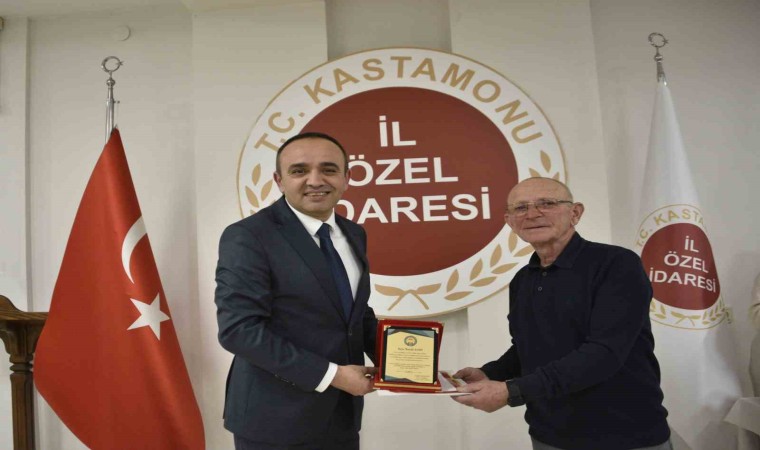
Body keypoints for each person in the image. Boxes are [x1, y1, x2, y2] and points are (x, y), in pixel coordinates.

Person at [453, 177, 671, 450]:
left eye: (546, 203)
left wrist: (512, 391)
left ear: (575, 213)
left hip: (624, 436)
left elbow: (604, 353)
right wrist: (489, 373)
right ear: (509, 221)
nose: (532, 214)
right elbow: (528, 348)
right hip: (547, 436)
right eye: (521, 208)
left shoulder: (617, 264)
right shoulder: (523, 280)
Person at [215, 132, 378, 450]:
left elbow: (355, 314)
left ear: (346, 178)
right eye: (299, 170)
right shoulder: (248, 236)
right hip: (274, 421)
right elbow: (239, 331)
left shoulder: (354, 233)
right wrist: (334, 376)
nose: (315, 180)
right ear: (279, 180)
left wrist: (412, 365)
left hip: (343, 418)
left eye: (329, 169)